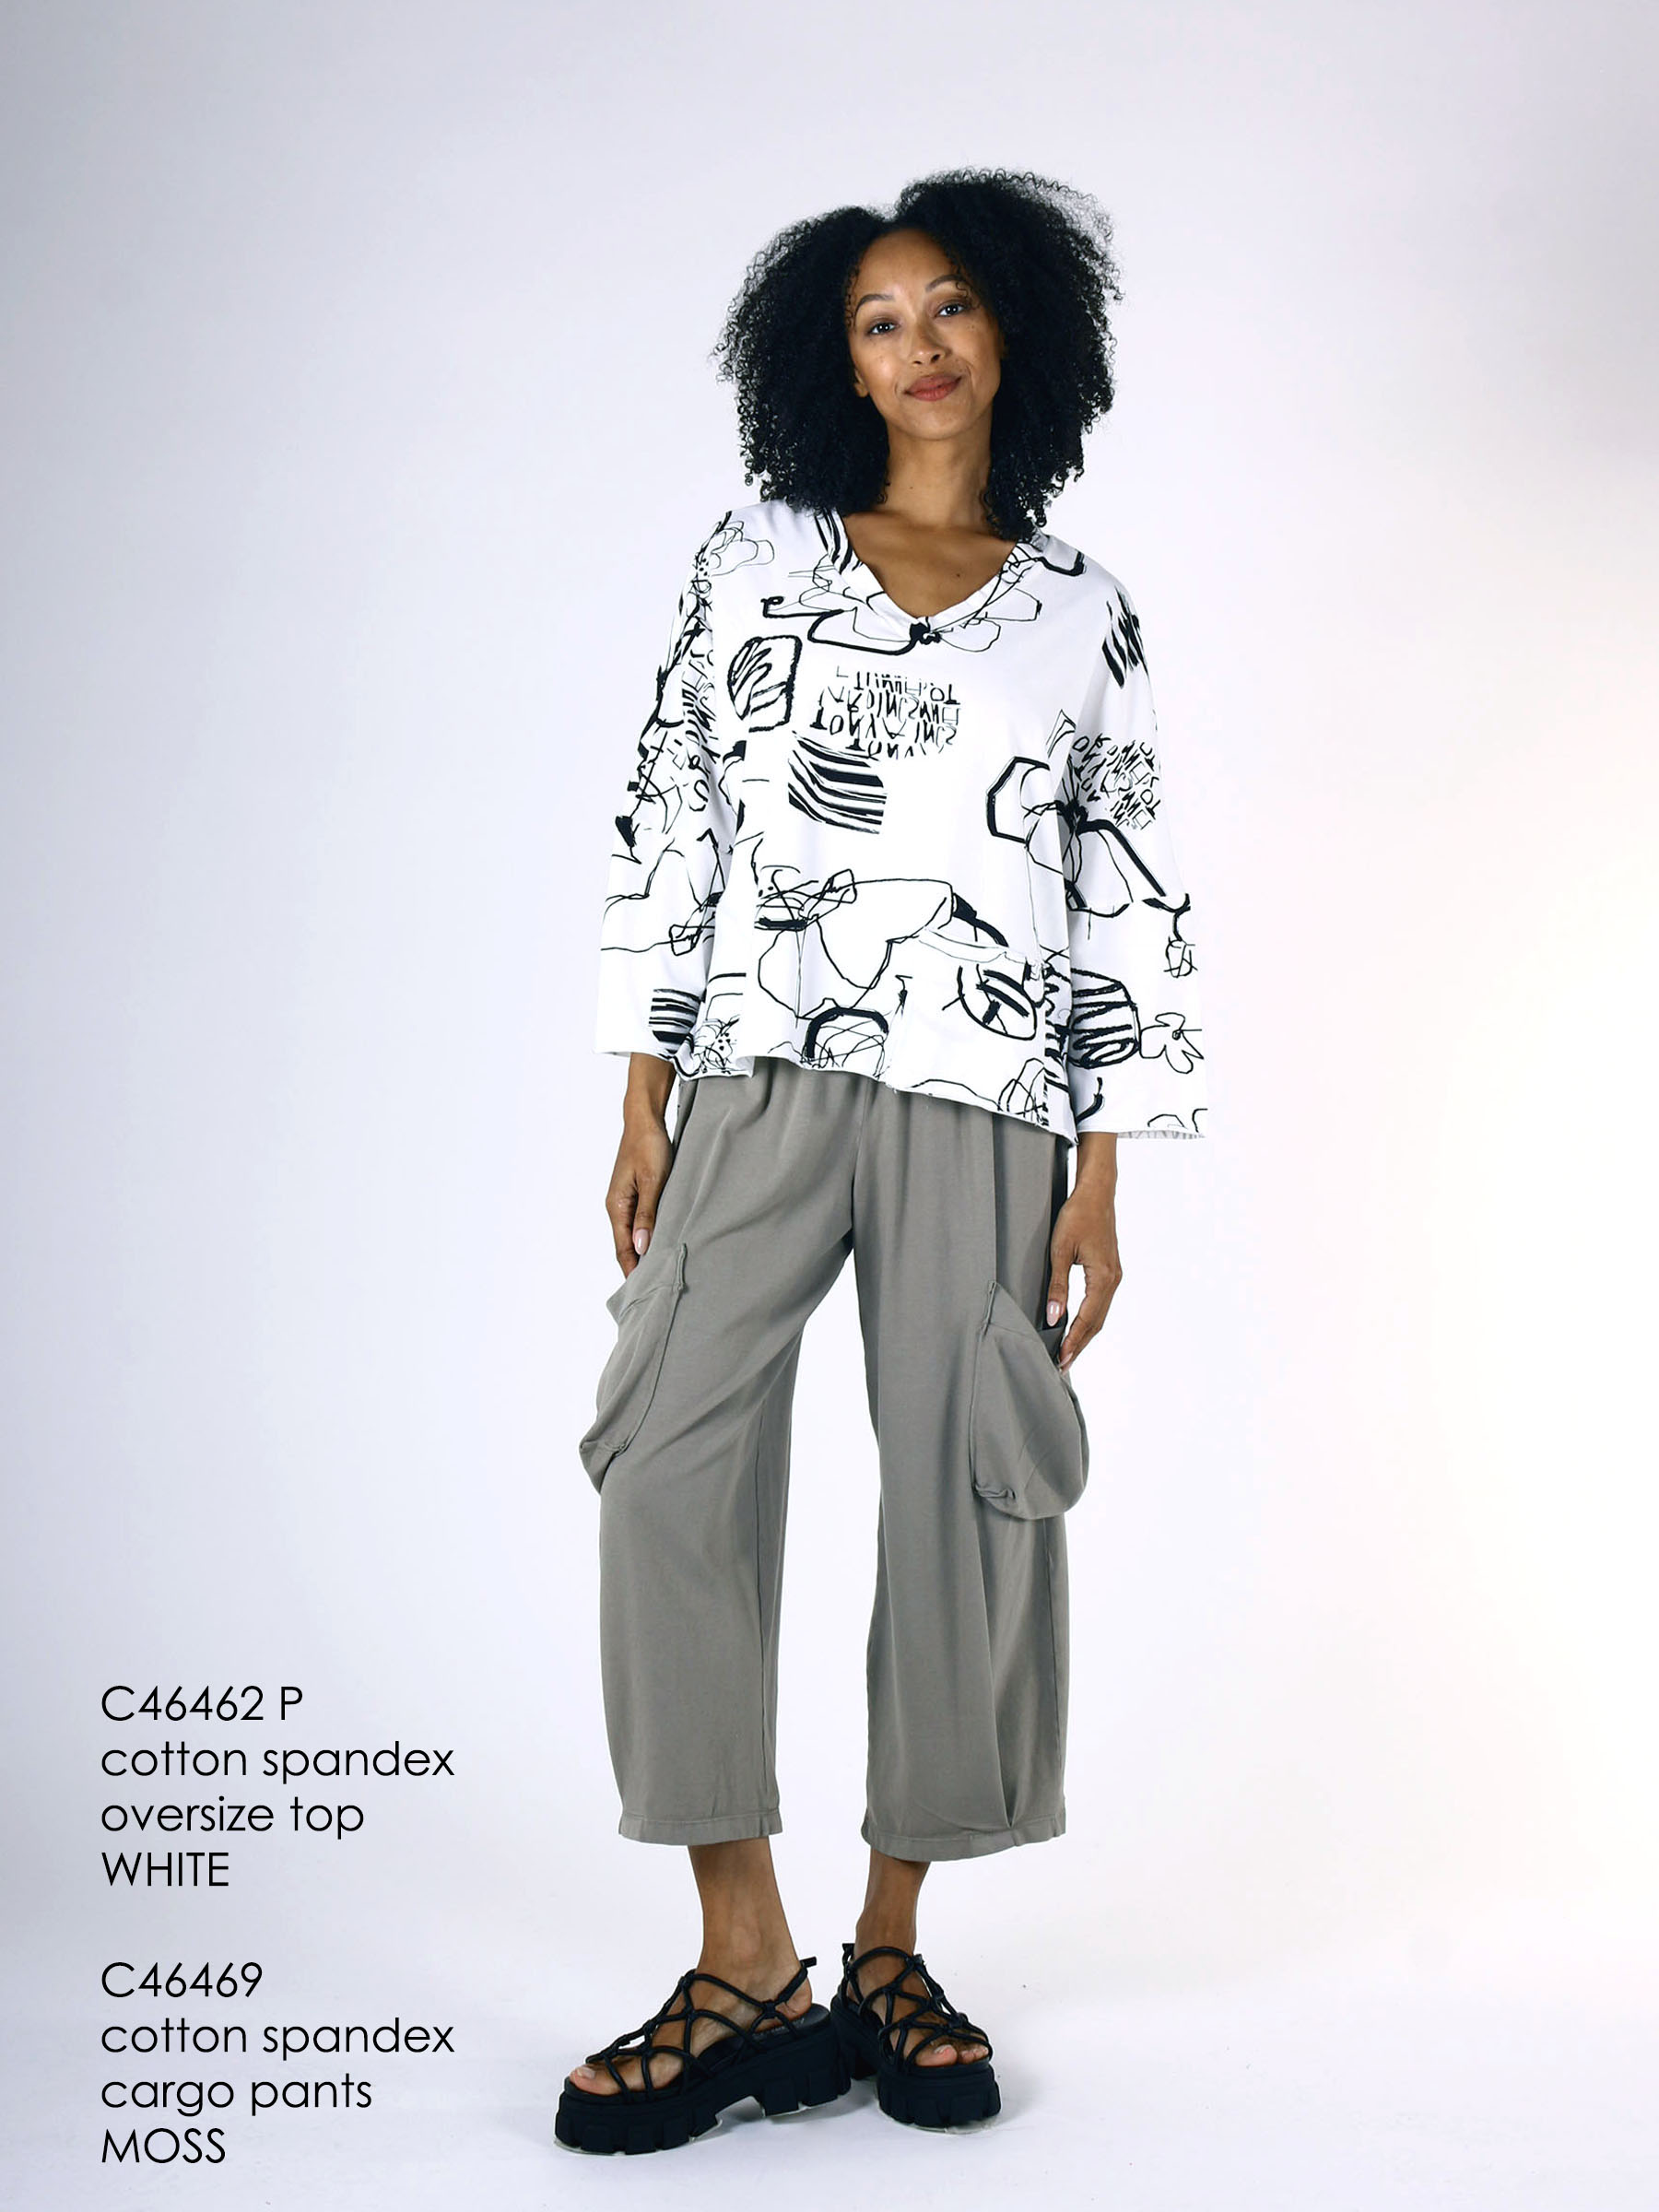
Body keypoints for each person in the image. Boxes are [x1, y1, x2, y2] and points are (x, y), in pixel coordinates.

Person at [556, 167, 1206, 2157]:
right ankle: (743, 1959)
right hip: (759, 1072)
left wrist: (1104, 1172)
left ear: (1014, 332)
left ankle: (893, 1950)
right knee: (667, 1452)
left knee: (967, 1495)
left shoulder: (1081, 612)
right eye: (877, 320)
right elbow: (672, 811)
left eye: (950, 308)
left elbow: (1121, 891)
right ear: (832, 363)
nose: (919, 346)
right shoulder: (756, 556)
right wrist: (644, 1085)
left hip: (992, 1104)